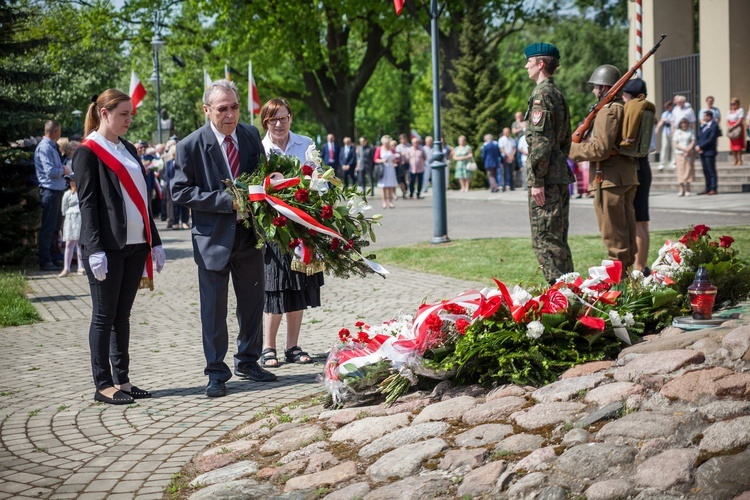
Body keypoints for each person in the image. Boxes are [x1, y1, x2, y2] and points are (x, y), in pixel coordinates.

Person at [171, 80, 275, 398]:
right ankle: (216, 371)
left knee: (252, 303)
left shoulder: (249, 135)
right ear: (207, 111)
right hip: (212, 239)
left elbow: (261, 175)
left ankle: (248, 360)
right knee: (214, 310)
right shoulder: (190, 145)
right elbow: (179, 190)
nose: (230, 115)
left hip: (248, 236)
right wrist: (223, 201)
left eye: (234, 107)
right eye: (222, 109)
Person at [73, 89, 165, 405]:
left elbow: (142, 201)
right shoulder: (88, 152)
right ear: (105, 113)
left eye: (131, 114)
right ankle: (102, 383)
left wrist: (156, 240)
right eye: (124, 113)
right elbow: (88, 205)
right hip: (107, 249)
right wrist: (94, 248)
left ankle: (122, 380)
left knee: (122, 316)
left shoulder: (126, 148)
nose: (129, 119)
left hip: (136, 245)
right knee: (103, 315)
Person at [258, 97, 322, 369]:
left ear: (291, 118)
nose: (279, 124)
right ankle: (267, 347)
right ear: (265, 122)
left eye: (283, 118)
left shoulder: (306, 144)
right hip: (274, 229)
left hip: (303, 227)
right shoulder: (259, 149)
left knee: (299, 285)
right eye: (273, 119)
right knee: (275, 287)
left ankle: (292, 346)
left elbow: (319, 180)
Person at [569, 64, 639, 275]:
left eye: (595, 87)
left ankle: (620, 287)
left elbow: (600, 149)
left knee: (614, 237)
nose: (593, 91)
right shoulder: (623, 107)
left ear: (604, 87)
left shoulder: (608, 112)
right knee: (625, 234)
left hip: (609, 180)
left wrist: (570, 149)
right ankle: (627, 278)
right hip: (623, 177)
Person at [523, 42, 575, 284]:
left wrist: (537, 180)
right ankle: (570, 292)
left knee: (545, 239)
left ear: (541, 64)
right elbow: (565, 140)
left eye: (529, 62)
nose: (526, 66)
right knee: (557, 238)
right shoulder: (557, 93)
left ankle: (562, 297)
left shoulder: (542, 94)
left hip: (547, 179)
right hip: (557, 174)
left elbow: (541, 143)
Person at [621, 78, 655, 275]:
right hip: (644, 165)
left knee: (637, 220)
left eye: (626, 96)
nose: (624, 101)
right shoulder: (648, 112)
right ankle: (641, 265)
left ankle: (640, 266)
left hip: (636, 165)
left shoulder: (636, 112)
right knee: (642, 220)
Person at [35, 120, 70, 271]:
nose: (60, 134)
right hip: (50, 191)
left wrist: (62, 169)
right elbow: (50, 171)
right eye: (59, 131)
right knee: (48, 228)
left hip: (56, 190)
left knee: (56, 228)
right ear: (55, 132)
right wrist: (64, 170)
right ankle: (45, 261)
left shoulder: (52, 147)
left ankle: (54, 257)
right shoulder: (44, 147)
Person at [58, 172, 83, 277]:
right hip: (70, 220)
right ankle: (66, 268)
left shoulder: (81, 193)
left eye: (74, 180)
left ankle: (81, 266)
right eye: (71, 181)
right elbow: (64, 209)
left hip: (80, 219)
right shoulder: (67, 194)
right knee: (69, 243)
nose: (72, 183)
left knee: (80, 244)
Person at [695, 110, 720, 195]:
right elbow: (699, 138)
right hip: (702, 152)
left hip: (709, 152)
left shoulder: (714, 126)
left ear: (709, 117)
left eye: (705, 116)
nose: (703, 118)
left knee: (711, 171)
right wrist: (698, 146)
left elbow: (711, 139)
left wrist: (701, 146)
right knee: (705, 171)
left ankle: (713, 188)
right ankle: (707, 188)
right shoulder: (703, 126)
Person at [672, 118, 696, 196]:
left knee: (688, 170)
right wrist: (684, 149)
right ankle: (681, 189)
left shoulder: (690, 131)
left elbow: (692, 141)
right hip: (679, 153)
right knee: (680, 170)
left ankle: (688, 189)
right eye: (683, 123)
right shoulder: (677, 132)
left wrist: (688, 150)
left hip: (689, 154)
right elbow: (675, 143)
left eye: (686, 123)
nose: (684, 125)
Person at [375, 135, 397, 208]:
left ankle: (390, 202)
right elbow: (375, 159)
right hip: (383, 169)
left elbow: (395, 158)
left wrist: (395, 160)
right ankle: (384, 202)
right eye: (385, 143)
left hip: (390, 168)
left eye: (388, 143)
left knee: (390, 186)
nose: (387, 144)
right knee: (383, 187)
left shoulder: (392, 149)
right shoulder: (379, 149)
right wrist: (383, 160)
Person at [655, 101, 674, 170]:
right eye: (665, 107)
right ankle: (663, 163)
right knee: (664, 146)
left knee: (673, 148)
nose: (667, 108)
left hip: (673, 132)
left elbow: (673, 122)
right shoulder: (664, 113)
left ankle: (673, 162)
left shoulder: (674, 113)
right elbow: (661, 121)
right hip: (665, 131)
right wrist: (657, 129)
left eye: (668, 106)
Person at [727, 98, 745, 166]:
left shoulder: (740, 110)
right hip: (731, 128)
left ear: (738, 104)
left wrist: (733, 126)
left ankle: (740, 159)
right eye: (731, 104)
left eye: (734, 104)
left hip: (737, 128)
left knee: (738, 145)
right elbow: (727, 120)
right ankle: (735, 159)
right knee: (732, 145)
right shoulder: (729, 112)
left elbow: (740, 119)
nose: (733, 105)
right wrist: (728, 126)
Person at [498, 127, 517, 191]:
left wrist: (512, 155)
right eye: (505, 132)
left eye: (508, 131)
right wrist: (508, 155)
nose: (507, 133)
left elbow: (514, 148)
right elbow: (501, 149)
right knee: (504, 172)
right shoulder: (501, 139)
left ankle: (511, 186)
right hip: (505, 157)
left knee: (511, 172)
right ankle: (504, 185)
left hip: (511, 157)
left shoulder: (512, 139)